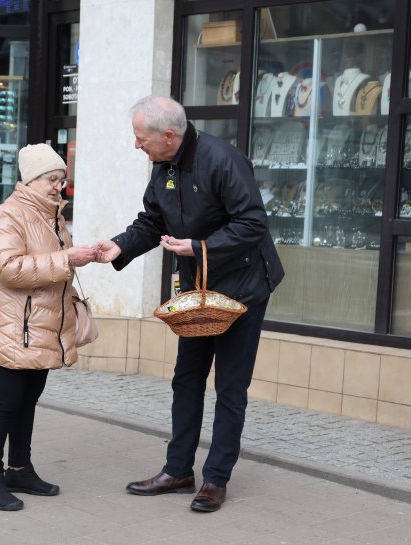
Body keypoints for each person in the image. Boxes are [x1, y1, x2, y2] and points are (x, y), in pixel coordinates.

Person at [95, 96, 285, 513]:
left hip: (243, 287)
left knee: (230, 387)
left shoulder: (222, 159)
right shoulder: (163, 165)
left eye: (140, 139)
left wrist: (198, 246)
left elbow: (253, 223)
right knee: (186, 379)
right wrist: (119, 246)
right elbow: (152, 222)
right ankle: (178, 470)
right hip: (197, 291)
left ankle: (216, 479)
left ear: (168, 136)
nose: (136, 146)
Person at [0, 143, 97, 511]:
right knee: (7, 402)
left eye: (61, 179)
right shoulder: (8, 216)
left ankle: (19, 468)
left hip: (43, 328)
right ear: (31, 180)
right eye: (51, 179)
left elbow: (51, 266)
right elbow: (8, 269)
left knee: (28, 400)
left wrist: (75, 260)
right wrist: (65, 259)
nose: (58, 186)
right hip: (14, 328)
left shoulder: (51, 216)